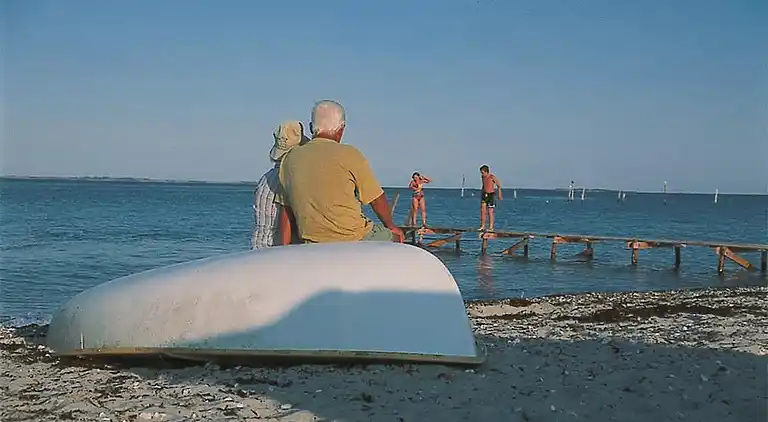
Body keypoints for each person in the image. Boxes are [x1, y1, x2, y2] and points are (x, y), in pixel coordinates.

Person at [275, 100, 405, 244]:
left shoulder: (289, 159)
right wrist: (391, 226)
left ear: (311, 127)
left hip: (312, 240)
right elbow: (376, 200)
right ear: (341, 128)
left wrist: (285, 248)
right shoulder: (350, 154)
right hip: (354, 236)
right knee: (396, 237)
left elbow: (286, 211)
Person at [250, 120, 308, 249]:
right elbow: (287, 222)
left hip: (257, 248)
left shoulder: (265, 178)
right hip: (276, 252)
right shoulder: (289, 179)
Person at [479, 164, 502, 231]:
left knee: (490, 211)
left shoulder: (492, 177)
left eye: (483, 173)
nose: (482, 174)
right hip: (484, 194)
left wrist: (499, 194)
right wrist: (482, 193)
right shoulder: (482, 177)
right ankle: (483, 226)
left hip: (491, 195)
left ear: (486, 172)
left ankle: (491, 227)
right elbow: (483, 185)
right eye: (481, 173)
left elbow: (499, 185)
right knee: (483, 210)